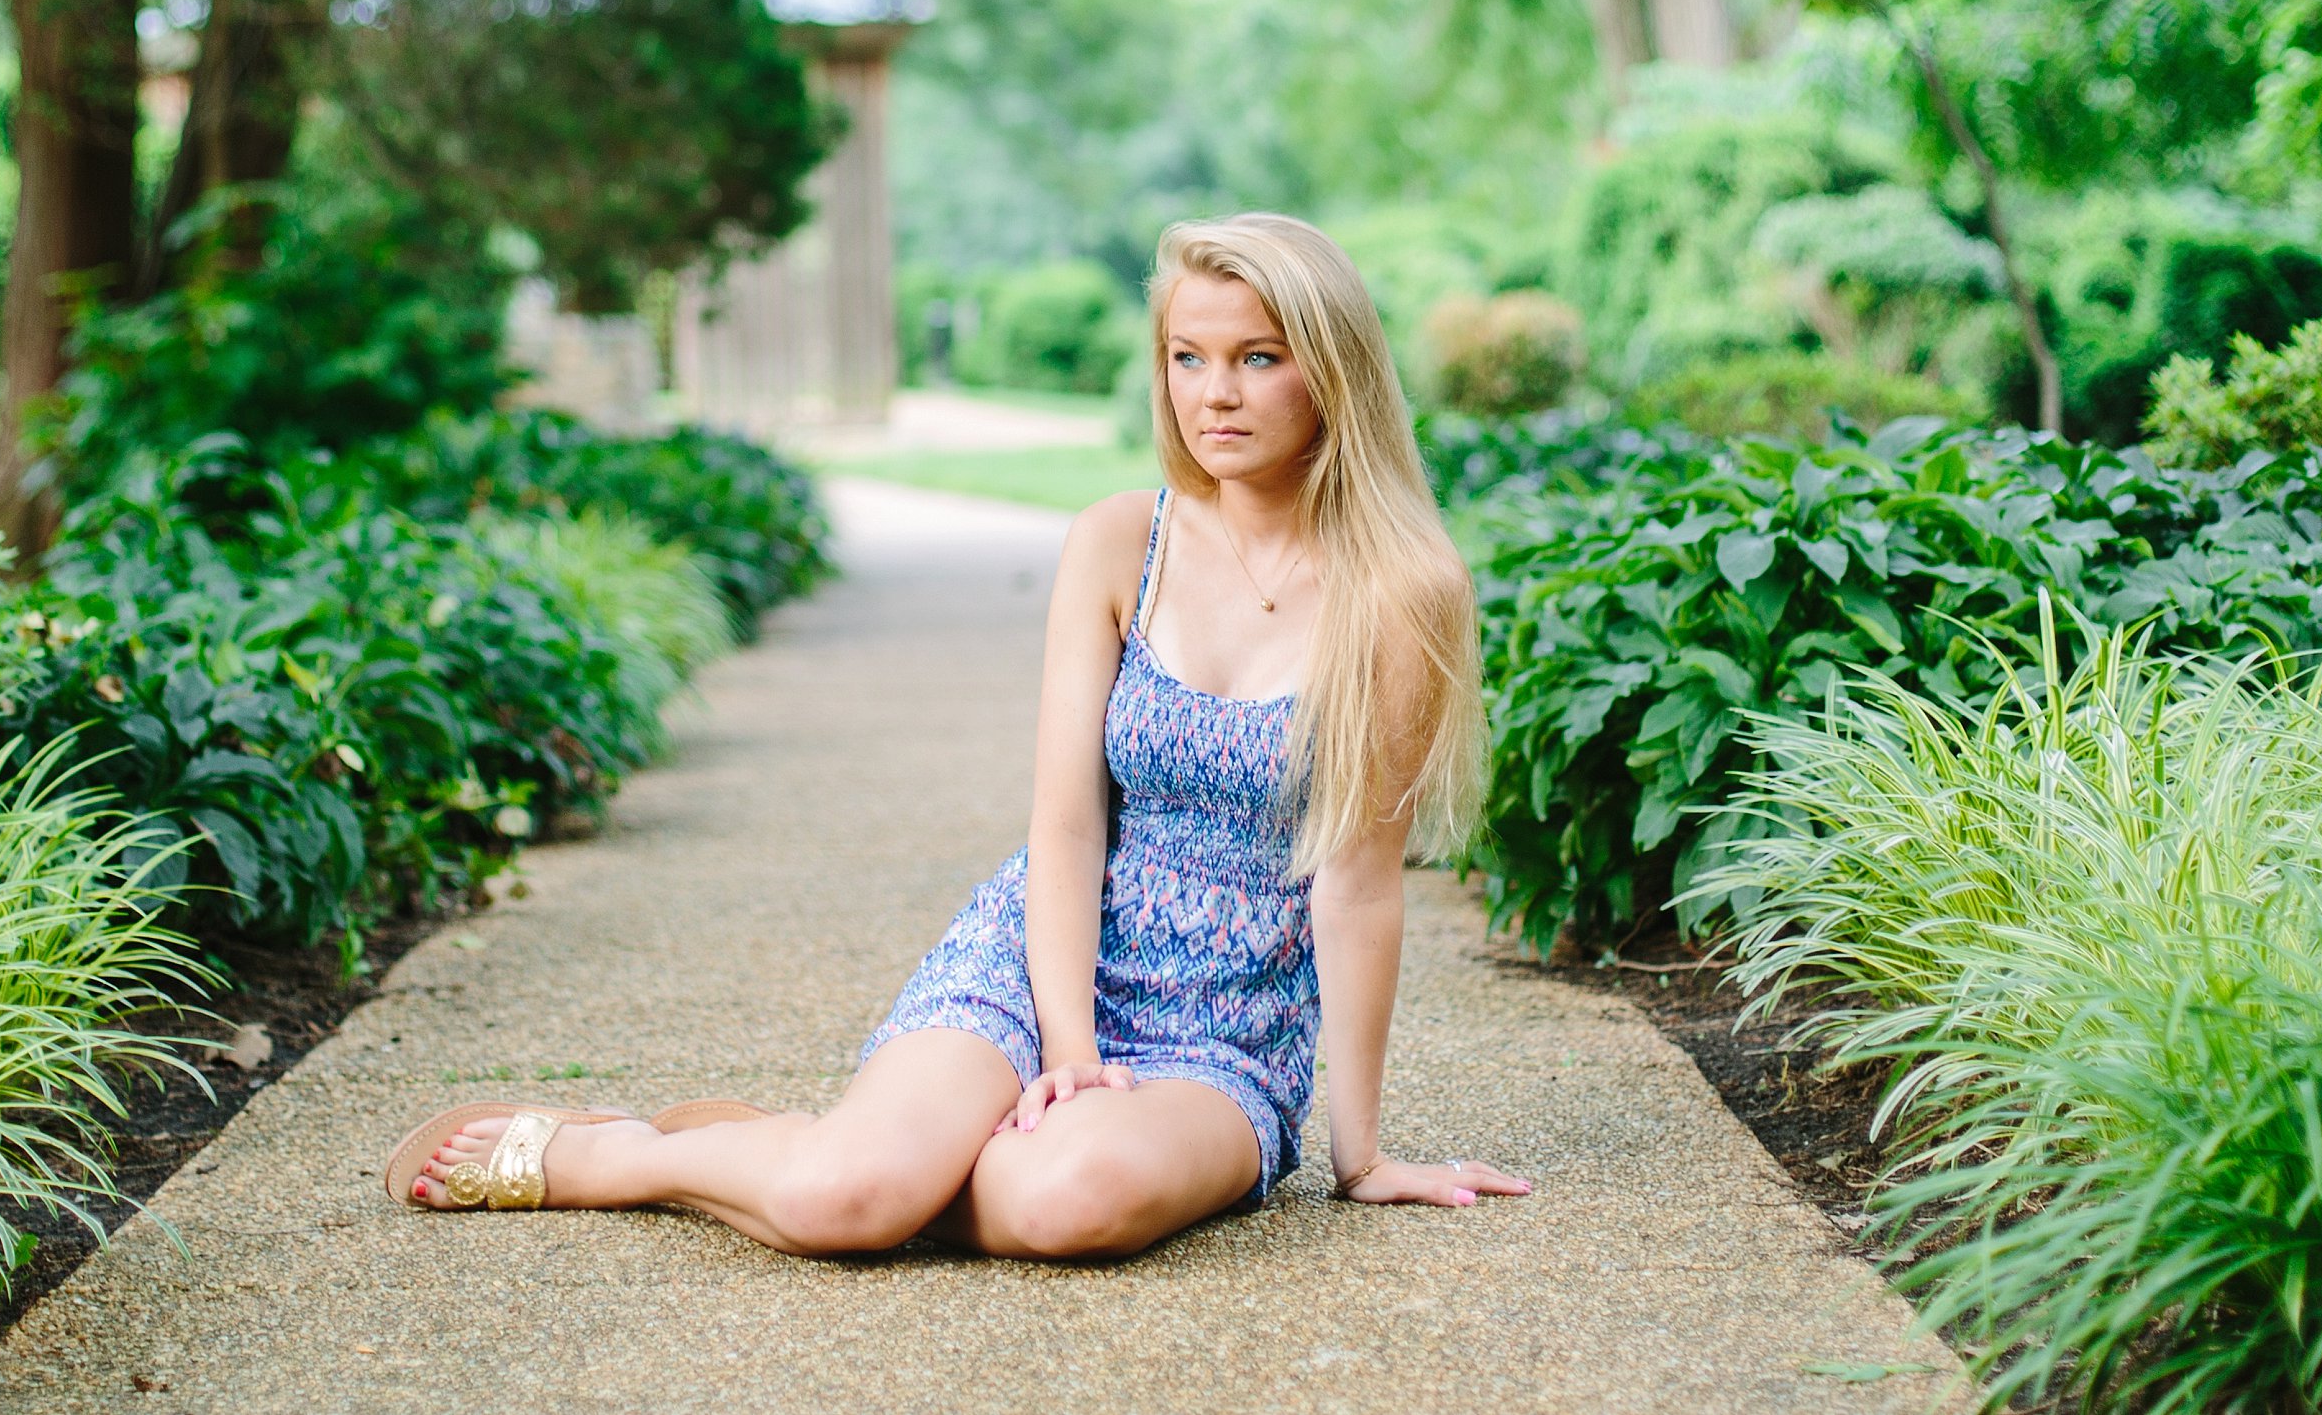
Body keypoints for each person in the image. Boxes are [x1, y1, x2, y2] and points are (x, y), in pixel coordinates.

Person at [379, 212, 1530, 1258]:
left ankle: (829, 1149)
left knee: (1055, 1203)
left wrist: (1360, 1152)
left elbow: (1358, 879)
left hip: (1223, 1035)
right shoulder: (1119, 539)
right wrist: (1071, 1046)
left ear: (1331, 370)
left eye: (1256, 357)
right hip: (1039, 962)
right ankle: (625, 1152)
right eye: (1187, 356)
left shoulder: (1401, 588)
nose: (1212, 393)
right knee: (847, 1201)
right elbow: (1067, 825)